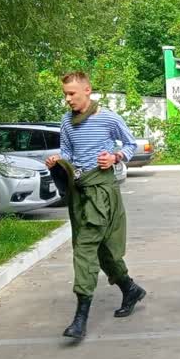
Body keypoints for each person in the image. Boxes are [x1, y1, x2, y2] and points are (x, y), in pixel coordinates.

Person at [45, 71, 144, 340]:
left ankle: (80, 318)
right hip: (79, 192)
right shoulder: (66, 122)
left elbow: (131, 144)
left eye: (72, 93)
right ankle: (130, 289)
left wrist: (114, 157)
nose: (67, 99)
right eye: (65, 94)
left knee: (85, 247)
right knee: (105, 252)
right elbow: (68, 152)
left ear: (87, 90)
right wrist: (58, 160)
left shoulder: (108, 118)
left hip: (102, 190)